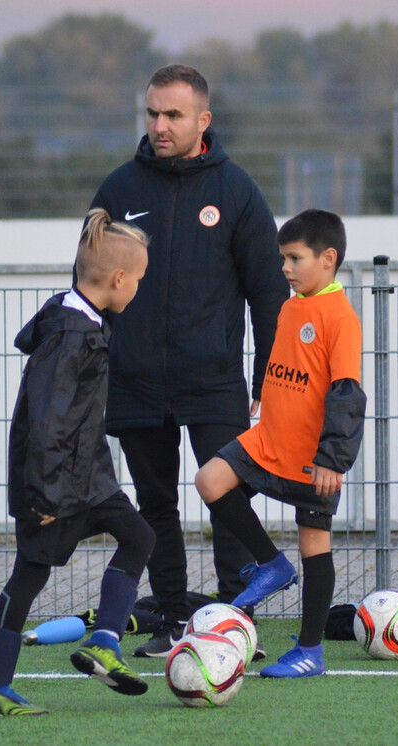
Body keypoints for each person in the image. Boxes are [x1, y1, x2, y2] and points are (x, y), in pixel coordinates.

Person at [89, 64, 289, 658]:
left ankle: (232, 622)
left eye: (173, 114)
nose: (160, 125)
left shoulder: (236, 191)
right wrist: (95, 369)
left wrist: (266, 381)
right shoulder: (118, 191)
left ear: (203, 119)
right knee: (155, 509)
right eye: (152, 113)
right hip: (135, 381)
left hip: (213, 381)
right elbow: (92, 289)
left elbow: (268, 295)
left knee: (226, 498)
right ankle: (174, 619)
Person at [0, 209, 156, 717]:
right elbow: (47, 423)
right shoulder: (70, 335)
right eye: (137, 279)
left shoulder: (86, 319)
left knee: (140, 536)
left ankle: (105, 642)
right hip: (52, 487)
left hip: (88, 478)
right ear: (118, 279)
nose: (138, 287)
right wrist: (44, 497)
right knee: (29, 577)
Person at [194, 208, 366, 678]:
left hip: (313, 459)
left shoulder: (340, 316)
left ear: (328, 259)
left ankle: (310, 650)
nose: (285, 268)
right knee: (209, 480)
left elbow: (347, 391)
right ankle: (271, 564)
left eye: (294, 258)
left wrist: (333, 458)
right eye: (283, 259)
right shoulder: (292, 306)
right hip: (268, 440)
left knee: (316, 545)